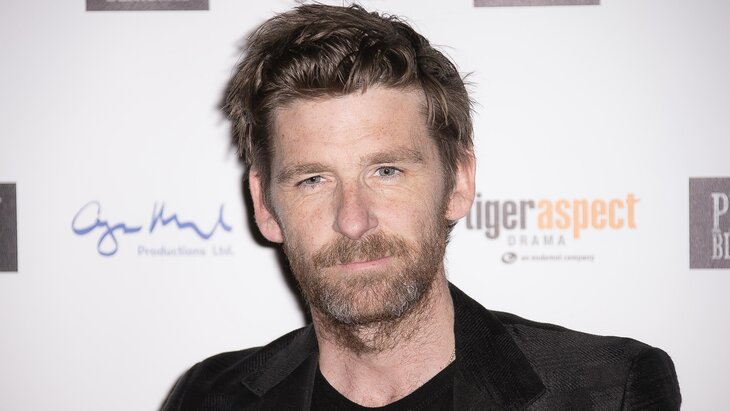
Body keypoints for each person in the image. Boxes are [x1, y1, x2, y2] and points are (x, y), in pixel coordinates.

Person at [162, 4, 681, 410]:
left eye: (386, 171)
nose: (353, 219)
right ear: (265, 205)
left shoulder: (607, 390)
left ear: (458, 182)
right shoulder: (209, 397)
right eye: (313, 179)